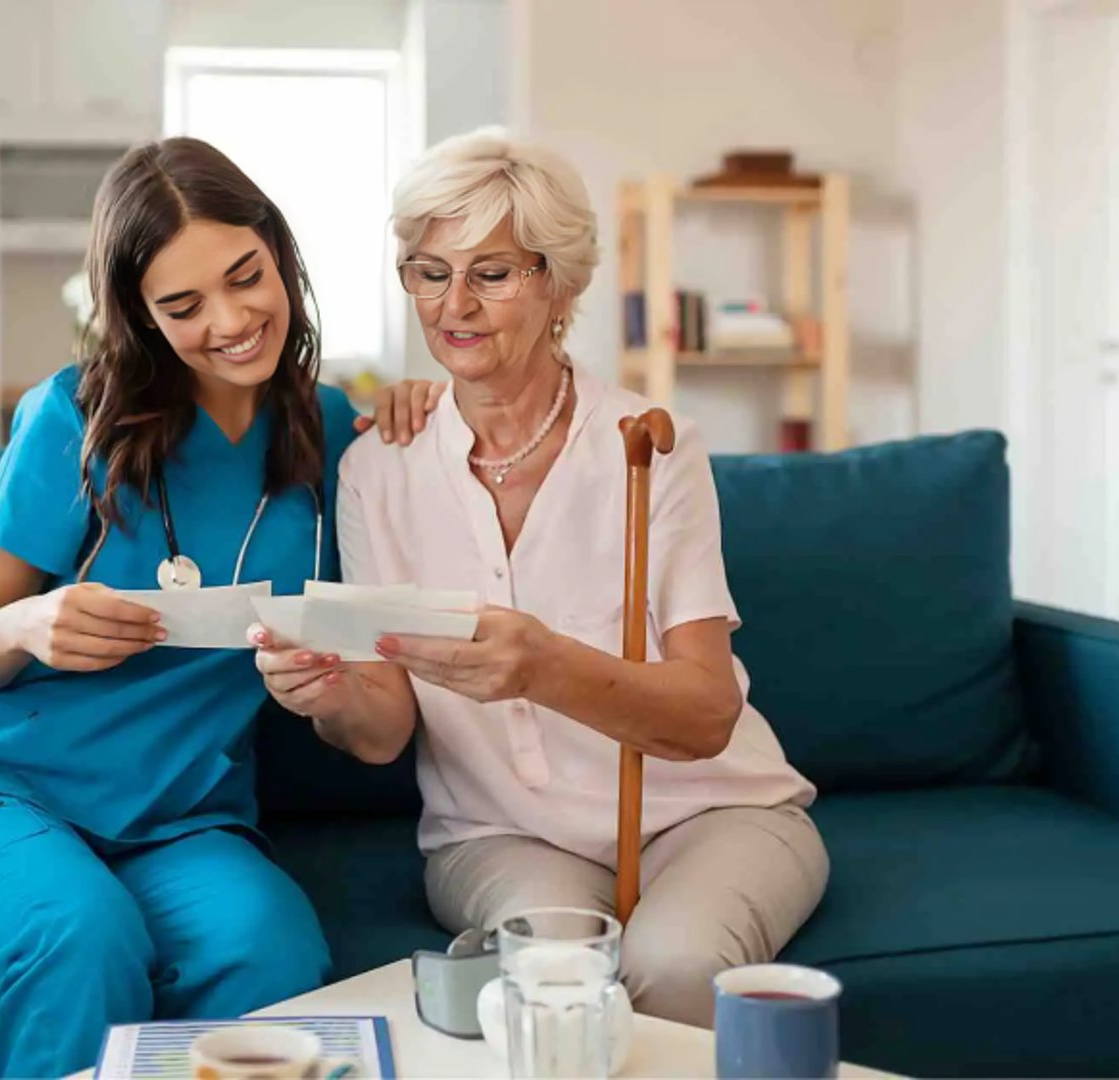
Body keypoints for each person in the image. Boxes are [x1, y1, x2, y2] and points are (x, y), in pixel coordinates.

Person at [252, 127, 830, 1029]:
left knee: (673, 966)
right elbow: (380, 732)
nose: (455, 304)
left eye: (493, 272)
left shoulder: (649, 448)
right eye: (429, 270)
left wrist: (544, 666)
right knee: (555, 975)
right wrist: (326, 692)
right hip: (500, 835)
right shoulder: (379, 466)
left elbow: (707, 714)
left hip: (711, 813)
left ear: (559, 284)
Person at [0, 137, 426, 1077]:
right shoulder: (74, 419)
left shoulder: (340, 436)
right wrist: (29, 625)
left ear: (280, 253)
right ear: (138, 317)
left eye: (245, 277)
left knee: (274, 951)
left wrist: (432, 410)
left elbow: (379, 728)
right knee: (80, 937)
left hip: (184, 823)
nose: (230, 320)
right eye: (182, 306)